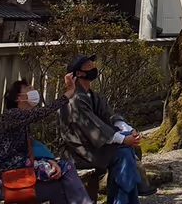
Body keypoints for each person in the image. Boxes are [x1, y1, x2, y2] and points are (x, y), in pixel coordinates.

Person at [58, 55, 155, 204]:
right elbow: (93, 126)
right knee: (123, 152)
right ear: (78, 74)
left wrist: (128, 130)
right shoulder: (75, 98)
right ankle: (128, 195)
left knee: (129, 149)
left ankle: (125, 197)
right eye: (88, 67)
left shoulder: (92, 95)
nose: (93, 68)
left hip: (93, 146)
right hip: (78, 151)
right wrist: (123, 139)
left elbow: (109, 116)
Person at [0, 75, 93, 204]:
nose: (33, 91)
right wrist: (68, 92)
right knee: (65, 170)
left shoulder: (22, 123)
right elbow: (41, 113)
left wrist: (50, 161)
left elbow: (33, 149)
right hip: (3, 181)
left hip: (19, 173)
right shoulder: (10, 116)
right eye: (28, 88)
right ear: (18, 97)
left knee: (59, 181)